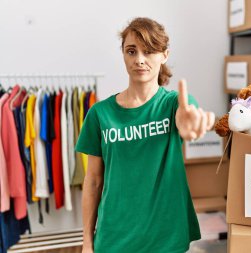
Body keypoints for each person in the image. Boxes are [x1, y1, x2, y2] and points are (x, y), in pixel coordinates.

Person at [76, 17, 215, 253]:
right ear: (123, 55)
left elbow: (186, 115)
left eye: (149, 51)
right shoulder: (100, 114)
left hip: (166, 237)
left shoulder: (173, 104)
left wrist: (188, 124)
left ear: (164, 55)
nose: (139, 59)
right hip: (114, 238)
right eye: (131, 51)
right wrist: (87, 242)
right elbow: (92, 182)